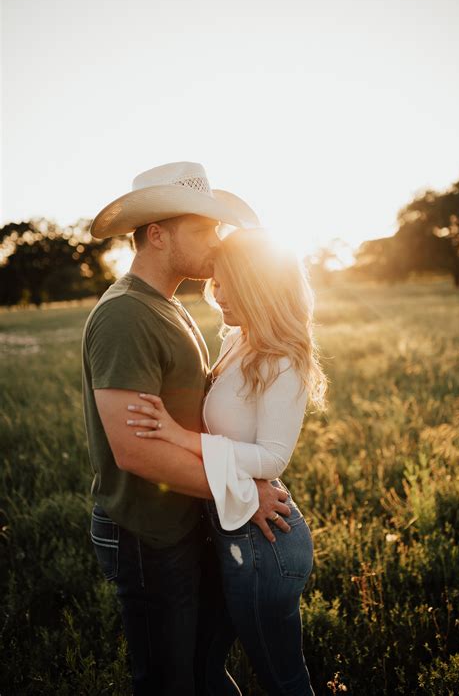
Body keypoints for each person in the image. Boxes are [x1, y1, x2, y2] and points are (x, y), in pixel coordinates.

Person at [82, 161, 293, 696]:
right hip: (145, 528)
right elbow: (137, 452)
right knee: (167, 681)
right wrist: (245, 491)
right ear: (158, 234)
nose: (217, 240)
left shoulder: (167, 306)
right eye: (204, 228)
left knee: (201, 670)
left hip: (182, 517)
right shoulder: (125, 315)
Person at [125, 228, 328, 695]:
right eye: (216, 282)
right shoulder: (238, 340)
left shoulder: (282, 359)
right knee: (202, 666)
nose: (218, 296)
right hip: (229, 526)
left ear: (260, 286)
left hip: (264, 542)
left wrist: (180, 436)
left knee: (282, 679)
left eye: (228, 284)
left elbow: (273, 456)